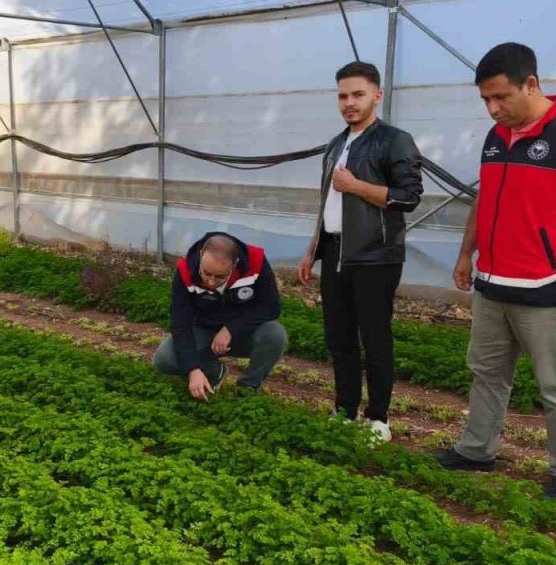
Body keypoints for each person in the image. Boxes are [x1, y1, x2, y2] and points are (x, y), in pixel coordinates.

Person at [437, 43, 556, 499]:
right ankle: (476, 450)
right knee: (486, 372)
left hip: (550, 286)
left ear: (532, 85)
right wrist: (467, 254)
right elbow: (485, 197)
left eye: (501, 97)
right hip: (494, 282)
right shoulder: (497, 136)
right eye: (486, 100)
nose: (493, 108)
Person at [297, 61, 424, 442]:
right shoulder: (337, 144)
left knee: (374, 337)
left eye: (358, 95)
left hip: (376, 255)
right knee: (339, 338)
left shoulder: (394, 140)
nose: (349, 103)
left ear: (377, 96)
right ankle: (345, 410)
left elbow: (409, 197)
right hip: (336, 250)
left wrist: (356, 186)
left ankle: (379, 418)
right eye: (343, 96)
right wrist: (312, 251)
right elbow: (328, 204)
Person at [153, 232, 287, 400]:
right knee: (164, 358)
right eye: (206, 273)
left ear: (235, 263)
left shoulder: (256, 262)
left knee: (275, 335)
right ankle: (213, 371)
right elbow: (181, 324)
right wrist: (192, 370)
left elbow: (271, 307)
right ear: (201, 255)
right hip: (204, 331)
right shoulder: (185, 271)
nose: (210, 282)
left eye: (220, 277)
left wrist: (231, 329)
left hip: (241, 334)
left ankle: (248, 389)